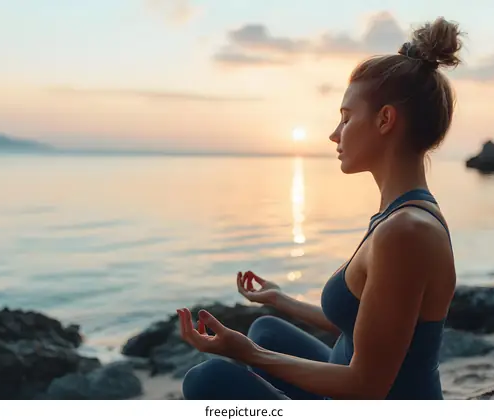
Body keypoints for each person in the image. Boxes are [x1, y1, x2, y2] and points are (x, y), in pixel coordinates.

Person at [176, 16, 461, 400]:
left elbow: (367, 387)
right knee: (266, 327)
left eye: (346, 117)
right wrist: (281, 300)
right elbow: (372, 322)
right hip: (349, 380)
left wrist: (249, 355)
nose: (334, 134)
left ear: (385, 120)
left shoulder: (405, 232)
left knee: (206, 380)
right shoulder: (401, 213)